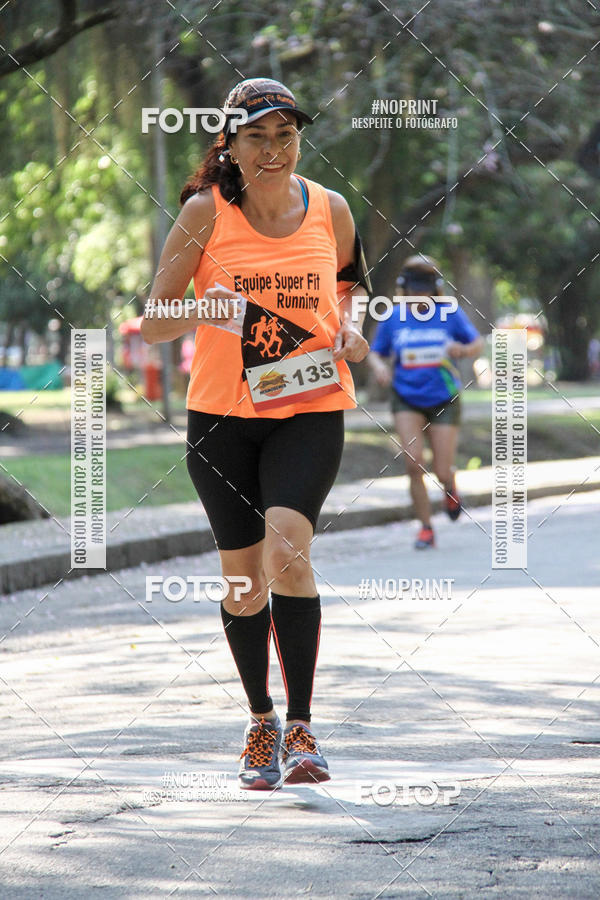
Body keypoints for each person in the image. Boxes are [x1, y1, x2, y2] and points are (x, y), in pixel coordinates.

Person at [141, 77, 370, 789]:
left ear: (300, 139)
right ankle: (260, 721)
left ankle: (302, 728)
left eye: (285, 135)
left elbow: (348, 285)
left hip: (309, 408)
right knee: (243, 582)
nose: (273, 150)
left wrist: (355, 333)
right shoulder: (204, 214)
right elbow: (153, 323)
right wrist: (205, 310)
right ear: (230, 147)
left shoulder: (330, 208)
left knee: (286, 552)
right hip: (222, 421)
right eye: (256, 138)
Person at [368, 255, 484, 549]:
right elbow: (374, 351)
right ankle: (426, 528)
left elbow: (477, 342)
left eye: (426, 287)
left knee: (442, 469)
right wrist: (380, 367)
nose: (420, 294)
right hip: (406, 397)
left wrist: (462, 349)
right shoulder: (392, 318)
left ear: (436, 289)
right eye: (414, 288)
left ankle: (449, 486)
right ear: (403, 289)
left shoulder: (450, 313)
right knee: (413, 464)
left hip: (444, 396)